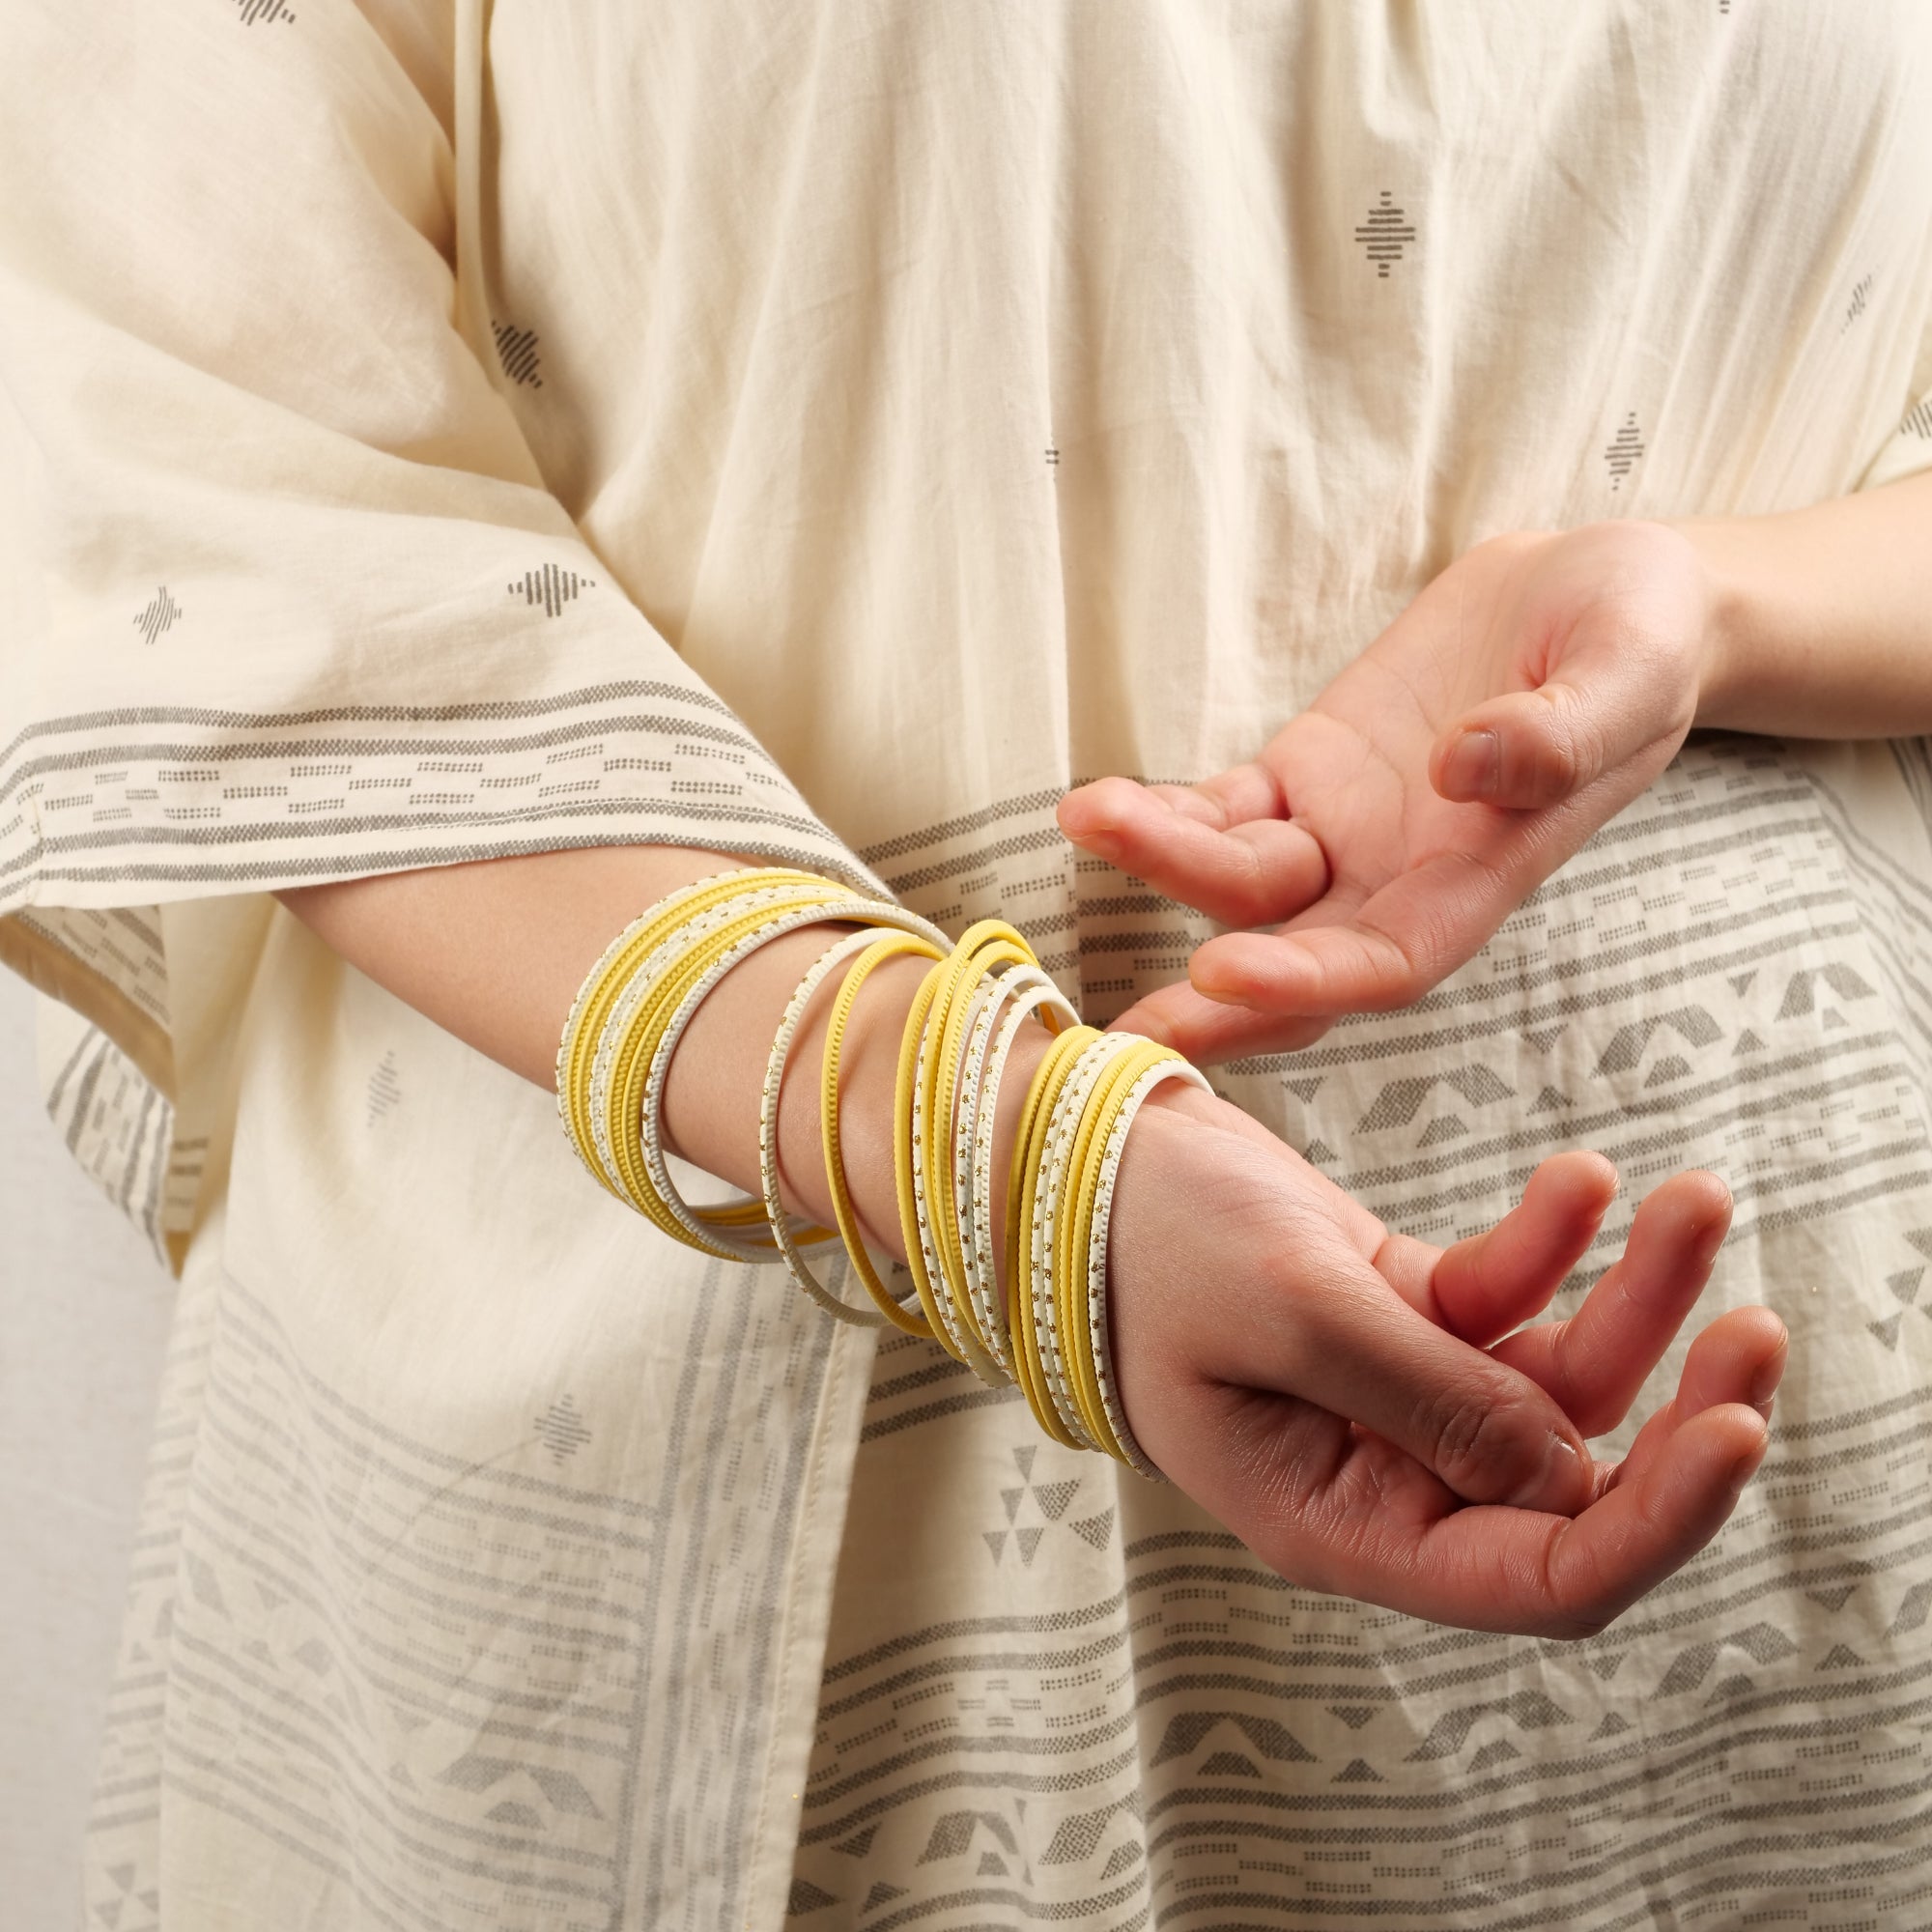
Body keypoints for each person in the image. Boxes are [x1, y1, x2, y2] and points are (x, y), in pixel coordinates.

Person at [1, 2, 1926, 1926]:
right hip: (748, 1465)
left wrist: (1718, 603)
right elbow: (184, 449)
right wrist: (1003, 1167)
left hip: (1796, 1505)